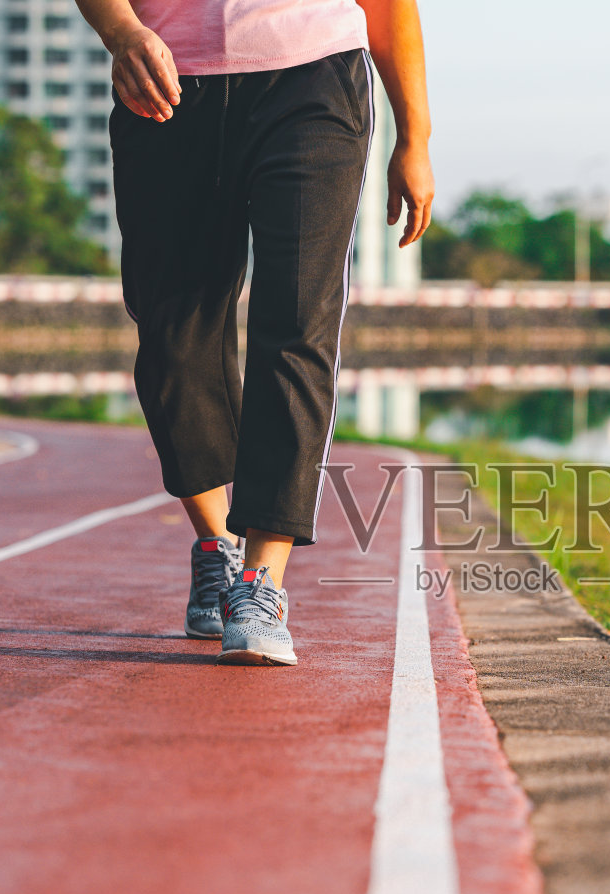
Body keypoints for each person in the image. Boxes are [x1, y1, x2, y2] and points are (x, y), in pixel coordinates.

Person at [73, 0, 433, 665]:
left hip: (313, 77)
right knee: (172, 334)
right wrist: (121, 33)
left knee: (296, 320)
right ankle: (216, 545)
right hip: (166, 84)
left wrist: (415, 134)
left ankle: (261, 580)